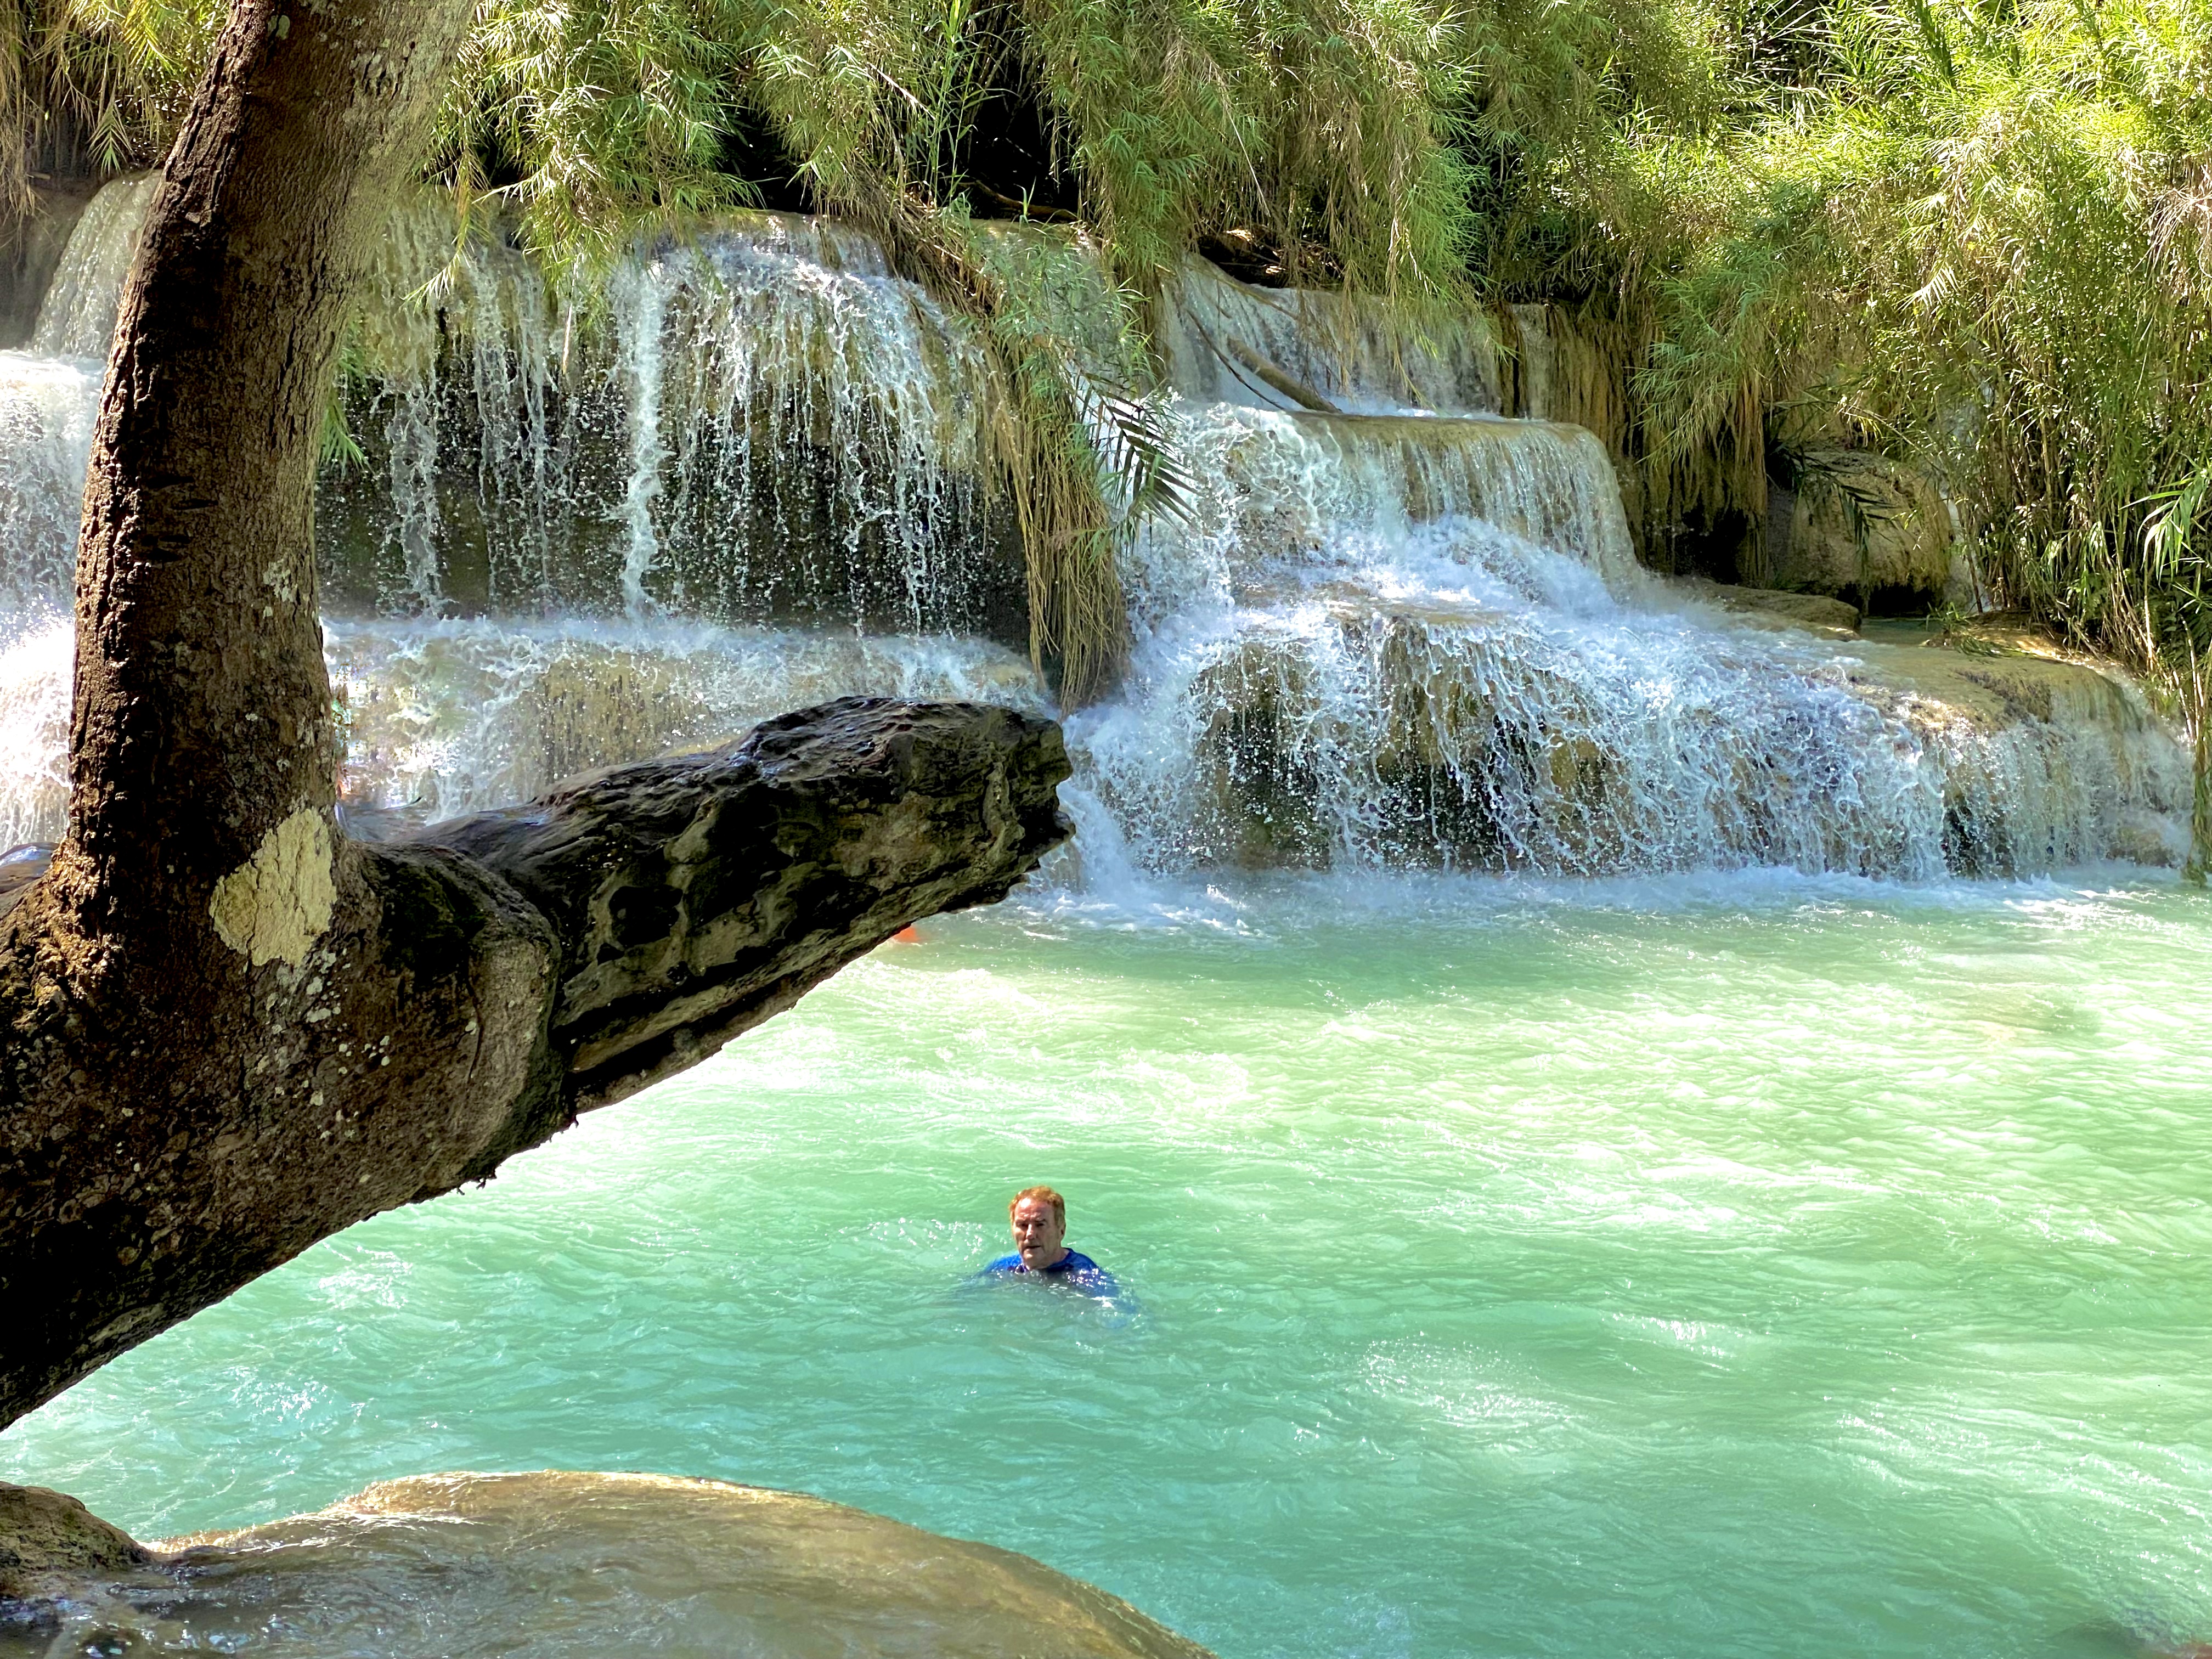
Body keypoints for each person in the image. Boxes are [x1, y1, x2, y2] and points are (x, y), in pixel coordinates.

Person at [983, 1186, 1115, 1292]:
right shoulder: (1003, 1268)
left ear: (1061, 1231)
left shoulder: (1084, 1274)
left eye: (1040, 1225)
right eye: (1023, 1225)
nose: (1030, 1234)